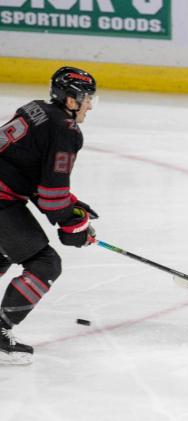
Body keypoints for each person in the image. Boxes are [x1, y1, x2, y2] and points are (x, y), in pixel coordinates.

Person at [0, 67, 99, 364]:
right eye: (86, 99)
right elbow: (51, 195)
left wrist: (73, 207)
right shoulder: (66, 130)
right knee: (45, 263)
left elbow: (33, 176)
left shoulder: (37, 110)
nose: (90, 106)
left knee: (5, 251)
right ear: (70, 100)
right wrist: (74, 225)